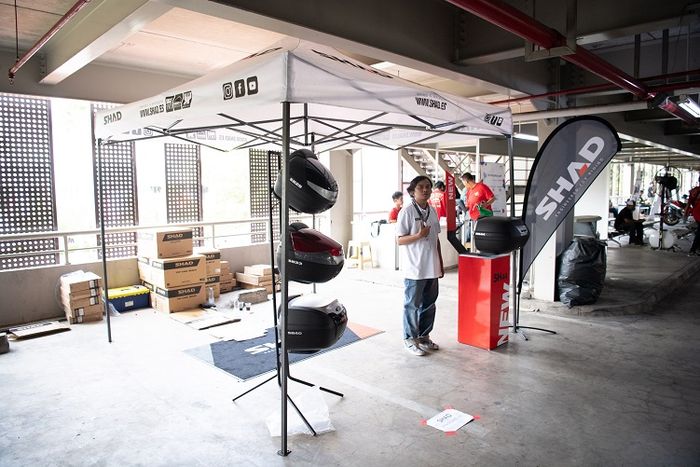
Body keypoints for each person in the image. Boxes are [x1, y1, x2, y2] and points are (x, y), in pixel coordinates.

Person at [396, 175, 444, 356]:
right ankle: (409, 339)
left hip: (431, 267)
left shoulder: (432, 211)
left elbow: (436, 239)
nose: (425, 190)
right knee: (412, 305)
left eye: (428, 187)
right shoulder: (407, 211)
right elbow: (399, 240)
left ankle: (424, 337)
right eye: (421, 187)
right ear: (412, 191)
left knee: (429, 304)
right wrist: (418, 235)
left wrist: (440, 262)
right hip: (414, 269)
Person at [686, 177, 700, 256]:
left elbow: (688, 203)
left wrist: (685, 214)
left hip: (696, 213)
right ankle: (693, 249)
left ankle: (695, 249)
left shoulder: (694, 190)